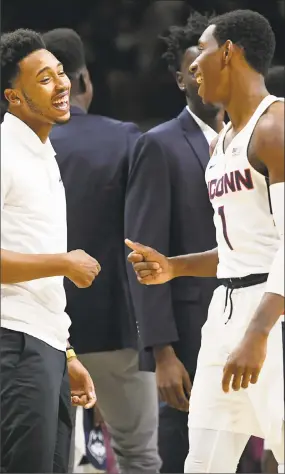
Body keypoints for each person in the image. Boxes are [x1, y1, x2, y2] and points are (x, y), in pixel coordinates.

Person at [126, 9, 284, 473]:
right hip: (224, 312)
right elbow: (235, 253)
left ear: (231, 53)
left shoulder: (274, 128)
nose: (193, 67)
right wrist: (175, 267)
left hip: (272, 315)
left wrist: (257, 333)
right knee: (203, 462)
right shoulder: (223, 141)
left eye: (205, 54)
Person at [43, 28, 161, 474]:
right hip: (115, 327)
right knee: (138, 457)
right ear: (83, 80)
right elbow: (147, 237)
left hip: (40, 327)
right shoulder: (127, 138)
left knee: (42, 459)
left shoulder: (18, 147)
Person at [125, 12, 223, 472]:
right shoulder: (159, 145)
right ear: (179, 77)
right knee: (187, 455)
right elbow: (143, 254)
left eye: (210, 63)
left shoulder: (249, 140)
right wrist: (162, 351)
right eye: (193, 66)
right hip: (188, 335)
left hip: (246, 323)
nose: (202, 73)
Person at [0, 29, 100, 473]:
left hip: (46, 346)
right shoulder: (5, 152)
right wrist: (63, 262)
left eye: (61, 72)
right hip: (13, 343)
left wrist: (67, 353)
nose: (62, 84)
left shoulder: (43, 152)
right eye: (44, 79)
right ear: (14, 97)